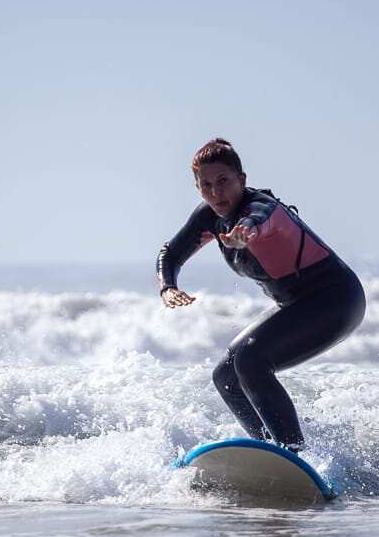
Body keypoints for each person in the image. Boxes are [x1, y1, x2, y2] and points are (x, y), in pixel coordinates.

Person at [156, 138, 366, 452]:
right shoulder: (210, 217)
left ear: (242, 179)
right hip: (297, 304)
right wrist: (167, 287)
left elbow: (257, 223)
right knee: (225, 376)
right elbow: (170, 254)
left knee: (250, 360)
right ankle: (270, 453)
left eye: (224, 182)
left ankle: (294, 453)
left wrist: (244, 234)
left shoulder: (261, 208)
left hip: (336, 299)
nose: (216, 193)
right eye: (206, 185)